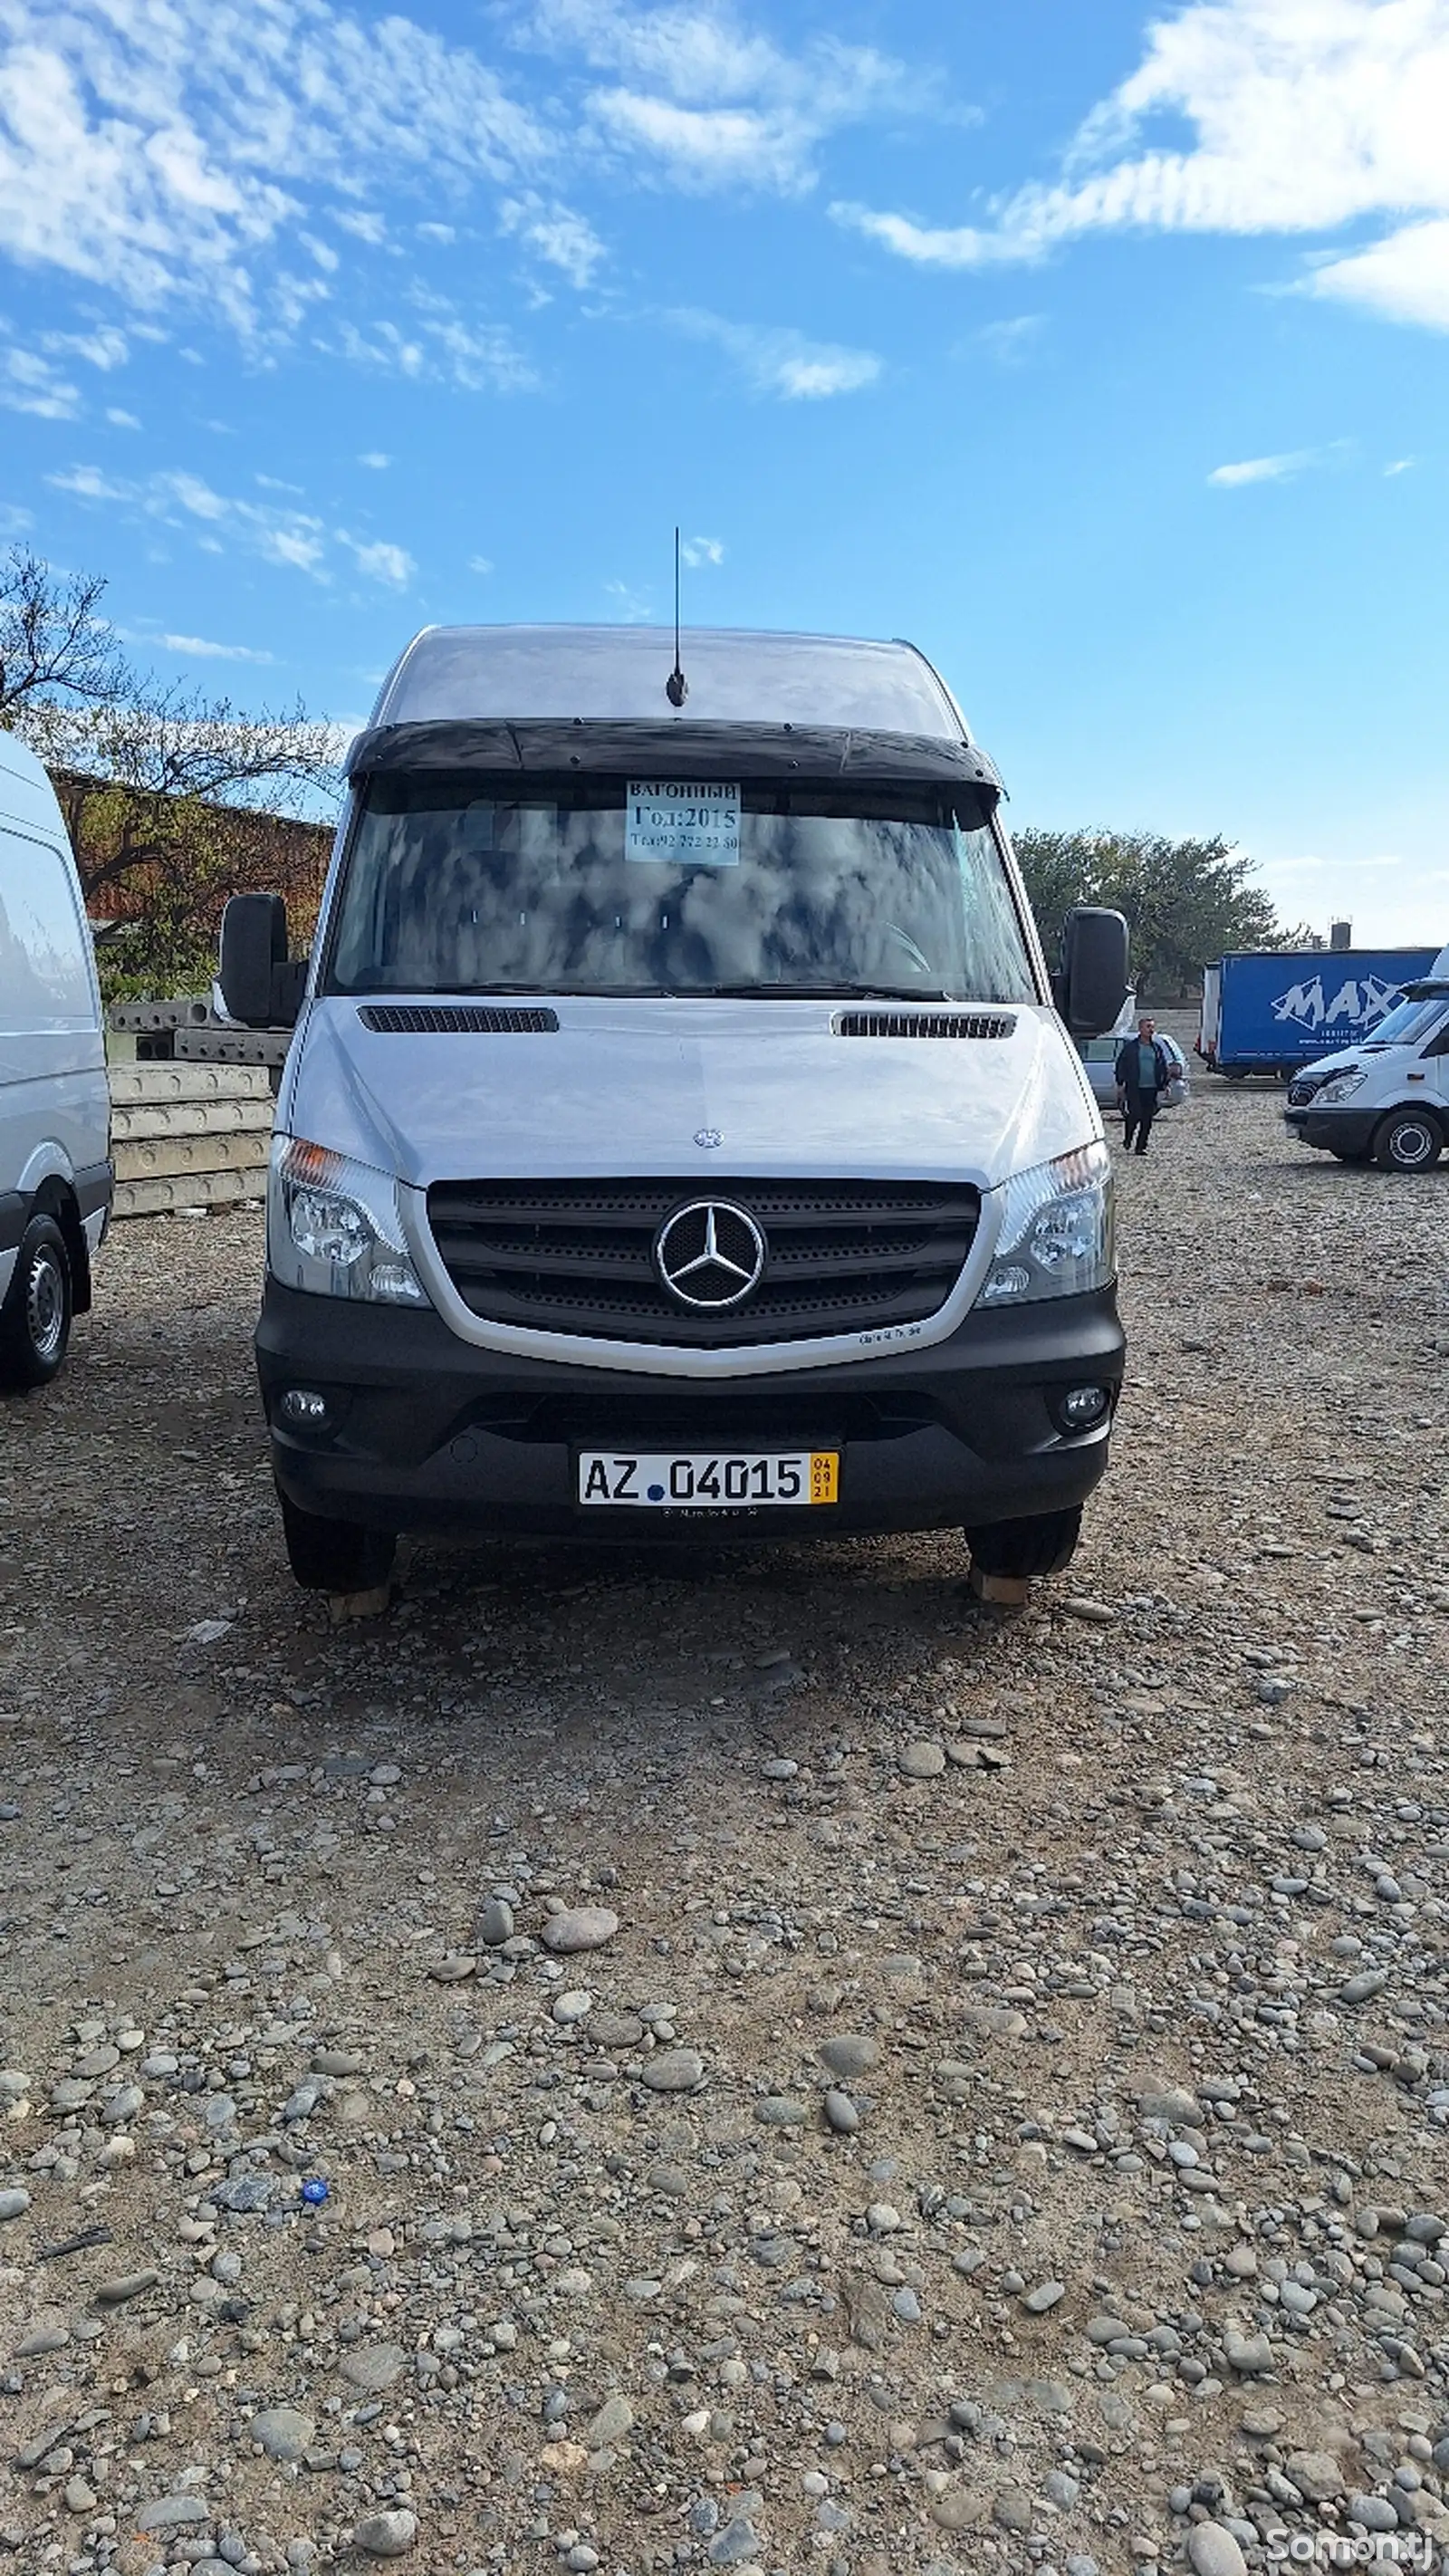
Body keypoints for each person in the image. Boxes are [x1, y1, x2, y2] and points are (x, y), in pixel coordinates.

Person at [1114, 1014, 1174, 1155]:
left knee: (1147, 1118)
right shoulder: (1131, 1048)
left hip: (1151, 1088)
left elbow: (1163, 1066)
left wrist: (1165, 1084)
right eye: (1148, 1027)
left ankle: (1141, 1146)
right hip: (1135, 1087)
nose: (1151, 1030)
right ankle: (1128, 1138)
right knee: (1134, 1115)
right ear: (1140, 1029)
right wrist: (1120, 1083)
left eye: (1152, 1027)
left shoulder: (1156, 1048)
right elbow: (1121, 1065)